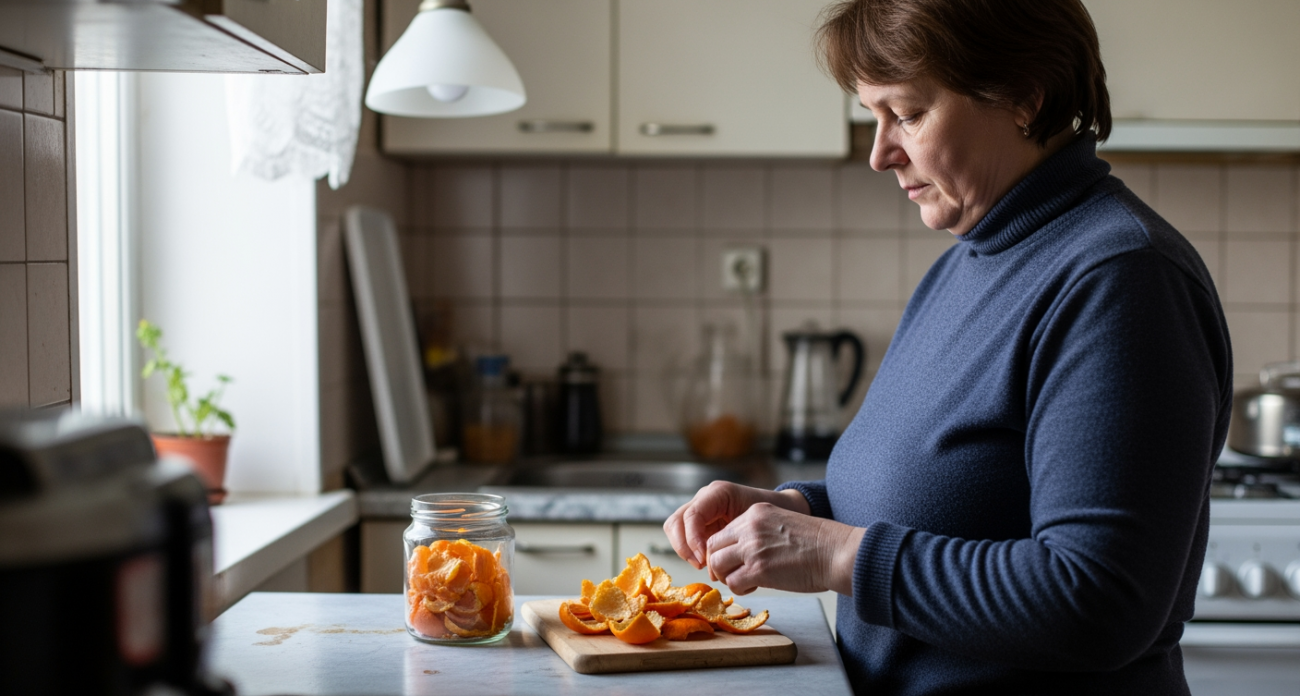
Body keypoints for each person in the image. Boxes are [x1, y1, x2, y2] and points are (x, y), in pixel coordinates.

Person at [663, 1, 1232, 694]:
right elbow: (953, 494)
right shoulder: (972, 259)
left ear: (1024, 96)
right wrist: (798, 512)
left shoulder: (1120, 277)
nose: (879, 153)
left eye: (905, 113)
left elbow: (1099, 601)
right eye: (871, 116)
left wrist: (838, 557)